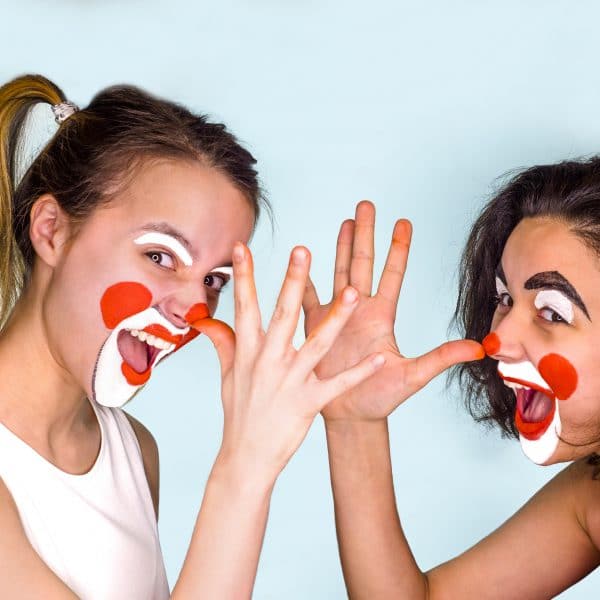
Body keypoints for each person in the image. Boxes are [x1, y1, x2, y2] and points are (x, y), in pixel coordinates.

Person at [0, 74, 386, 599]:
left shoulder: (134, 451)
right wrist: (247, 463)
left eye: (214, 280)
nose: (194, 309)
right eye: (160, 256)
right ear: (51, 230)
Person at [303, 163, 600, 599]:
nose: (498, 339)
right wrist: (354, 422)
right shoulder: (589, 493)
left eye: (552, 312)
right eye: (504, 298)